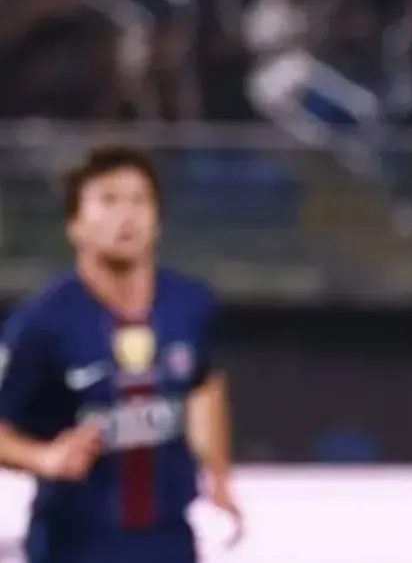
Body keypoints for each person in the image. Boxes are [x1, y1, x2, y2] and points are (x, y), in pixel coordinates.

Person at [0, 145, 242, 563]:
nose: (126, 215)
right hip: (75, 545)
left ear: (158, 219)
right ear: (75, 224)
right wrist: (45, 458)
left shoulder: (190, 304)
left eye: (139, 200)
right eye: (108, 200)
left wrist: (217, 477)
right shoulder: (42, 323)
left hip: (170, 542)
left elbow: (204, 382)